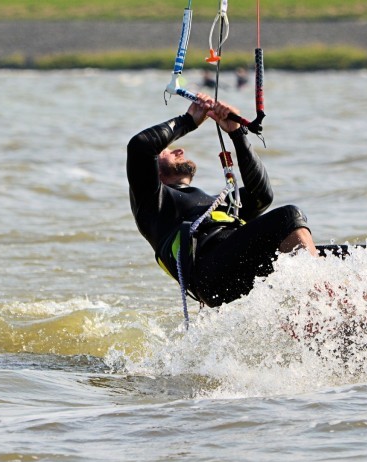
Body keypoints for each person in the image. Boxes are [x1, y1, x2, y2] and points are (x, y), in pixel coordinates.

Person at [127, 92, 318, 308]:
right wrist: (189, 121)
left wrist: (237, 134)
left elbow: (261, 197)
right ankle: (318, 309)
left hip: (245, 264)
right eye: (167, 151)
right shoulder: (153, 204)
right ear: (152, 171)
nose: (179, 150)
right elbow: (141, 145)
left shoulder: (218, 204)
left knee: (350, 255)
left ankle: (349, 330)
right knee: (289, 216)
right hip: (211, 274)